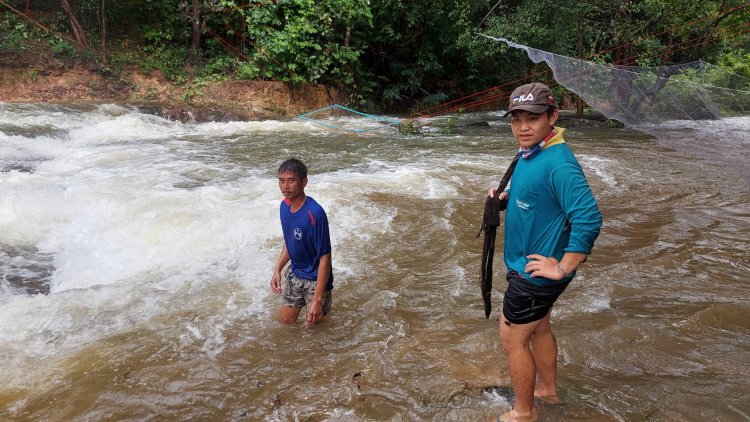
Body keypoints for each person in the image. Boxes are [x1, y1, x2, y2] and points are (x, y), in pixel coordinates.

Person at [488, 83, 602, 421]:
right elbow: (537, 198)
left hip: (537, 272)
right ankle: (547, 391)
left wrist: (563, 267)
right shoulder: (534, 150)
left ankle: (523, 412)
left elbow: (589, 218)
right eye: (517, 119)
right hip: (530, 263)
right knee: (538, 329)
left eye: (533, 118)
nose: (523, 127)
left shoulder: (558, 163)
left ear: (552, 117)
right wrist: (506, 200)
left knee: (512, 339)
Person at [270, 158, 333, 326]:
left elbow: (325, 257)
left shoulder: (315, 213)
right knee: (285, 324)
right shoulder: (284, 206)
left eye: (291, 180)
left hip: (315, 280)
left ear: (304, 182)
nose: (285, 186)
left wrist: (317, 299)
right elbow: (290, 242)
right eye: (281, 181)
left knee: (313, 335)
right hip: (296, 274)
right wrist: (277, 269)